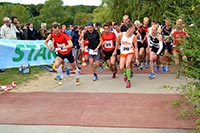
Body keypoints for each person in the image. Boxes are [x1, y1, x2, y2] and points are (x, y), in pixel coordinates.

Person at [116, 23, 139, 88]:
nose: (134, 30)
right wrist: (117, 48)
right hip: (123, 52)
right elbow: (117, 41)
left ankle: (129, 81)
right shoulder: (121, 35)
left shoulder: (134, 37)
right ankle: (126, 73)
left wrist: (137, 58)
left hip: (130, 52)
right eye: (133, 29)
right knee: (121, 68)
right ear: (129, 29)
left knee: (128, 64)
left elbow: (136, 47)